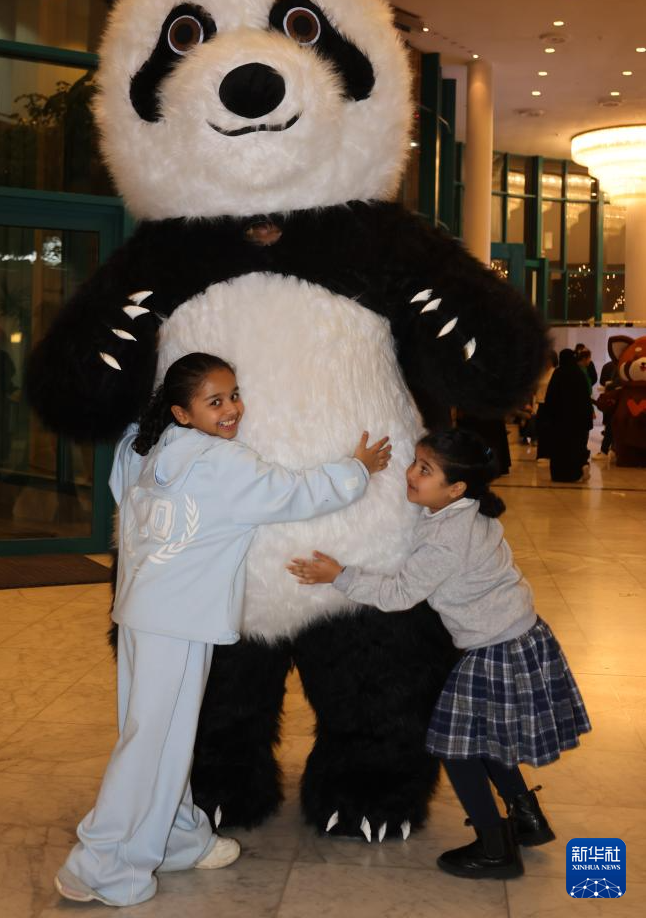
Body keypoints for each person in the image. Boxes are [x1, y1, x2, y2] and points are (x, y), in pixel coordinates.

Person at [55, 352, 391, 907]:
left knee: (157, 737)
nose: (232, 408)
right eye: (215, 401)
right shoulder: (221, 464)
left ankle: (178, 835)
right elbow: (295, 492)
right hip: (177, 624)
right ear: (183, 412)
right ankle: (102, 866)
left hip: (141, 615)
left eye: (234, 395)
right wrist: (357, 468)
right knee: (152, 747)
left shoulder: (144, 449)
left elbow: (123, 487)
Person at [288, 428, 590, 880]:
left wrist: (339, 576)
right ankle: (526, 818)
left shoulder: (447, 537)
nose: (411, 474)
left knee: (456, 748)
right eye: (415, 462)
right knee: (483, 740)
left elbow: (400, 593)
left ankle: (494, 846)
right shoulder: (466, 512)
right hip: (516, 637)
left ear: (456, 488)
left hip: (495, 650)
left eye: (425, 470)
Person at [544, 348, 594, 482]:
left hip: (559, 422)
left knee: (559, 448)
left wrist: (549, 417)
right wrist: (587, 420)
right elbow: (585, 399)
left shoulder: (558, 373)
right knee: (575, 447)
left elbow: (550, 397)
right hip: (576, 422)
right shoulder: (579, 374)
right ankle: (575, 473)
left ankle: (559, 475)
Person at [534, 349, 558, 462]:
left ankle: (549, 454)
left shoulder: (555, 372)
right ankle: (541, 454)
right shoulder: (541, 373)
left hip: (550, 404)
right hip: (540, 403)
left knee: (548, 430)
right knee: (540, 429)